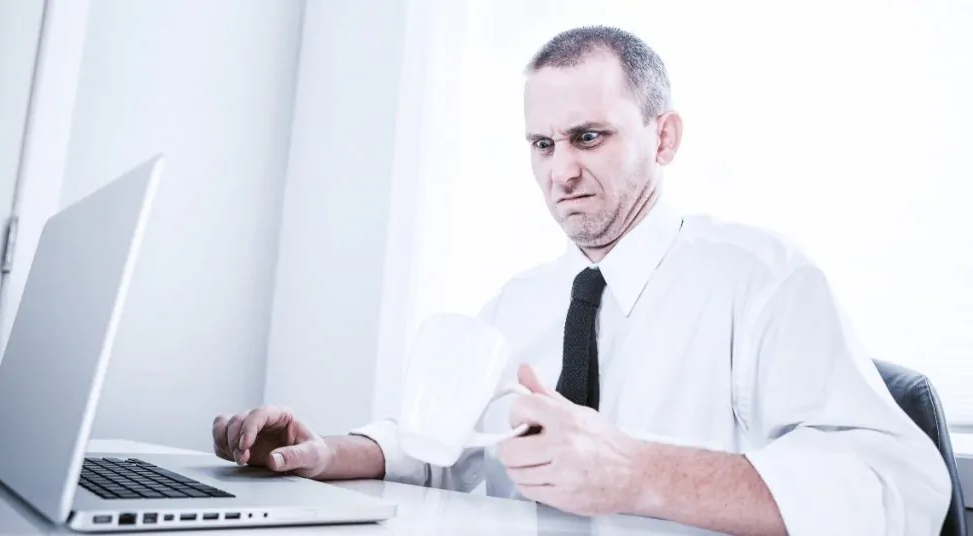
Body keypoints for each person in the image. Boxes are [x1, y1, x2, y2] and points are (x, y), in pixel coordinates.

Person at [212, 25, 952, 535]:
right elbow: (444, 452)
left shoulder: (763, 283)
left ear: (663, 137)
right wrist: (329, 453)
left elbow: (901, 491)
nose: (560, 171)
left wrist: (638, 472)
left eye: (588, 137)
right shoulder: (521, 301)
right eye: (542, 144)